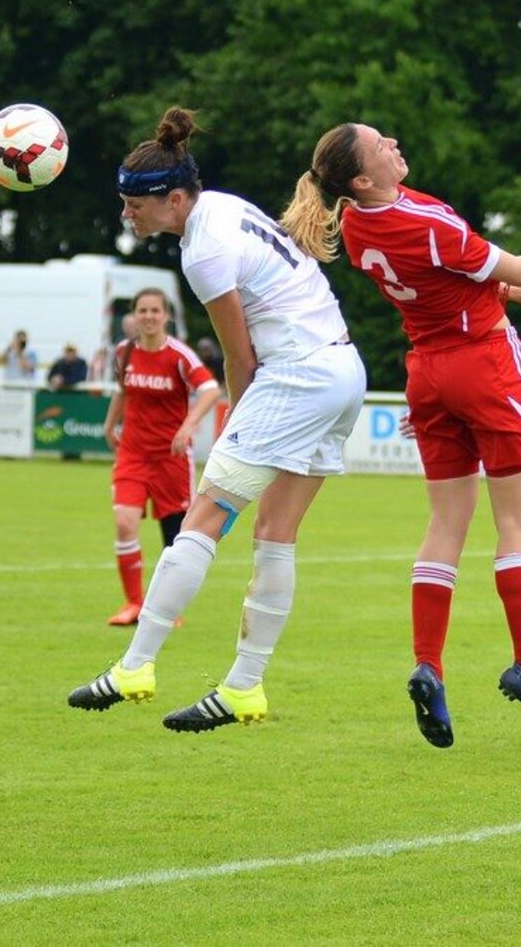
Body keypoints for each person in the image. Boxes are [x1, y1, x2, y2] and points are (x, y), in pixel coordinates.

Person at [68, 107, 367, 734]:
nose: (128, 214)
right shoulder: (222, 205)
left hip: (299, 375)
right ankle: (244, 687)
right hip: (343, 370)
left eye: (135, 205)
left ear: (175, 198)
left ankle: (135, 667)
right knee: (277, 532)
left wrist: (237, 420)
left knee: (204, 516)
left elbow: (239, 354)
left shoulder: (201, 249)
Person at [286, 120, 521, 749]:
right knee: (519, 526)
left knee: (445, 525)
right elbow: (520, 263)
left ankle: (429, 664)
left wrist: (505, 290)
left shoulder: (357, 226)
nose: (394, 141)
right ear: (363, 178)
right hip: (484, 363)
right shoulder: (428, 222)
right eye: (380, 143)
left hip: (427, 371)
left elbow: (446, 277)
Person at [100, 288, 222, 627]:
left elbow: (211, 389)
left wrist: (188, 426)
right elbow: (123, 391)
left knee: (175, 537)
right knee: (125, 522)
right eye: (143, 310)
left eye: (155, 311)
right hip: (133, 453)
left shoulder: (179, 355)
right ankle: (134, 603)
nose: (149, 316)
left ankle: (168, 608)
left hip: (171, 457)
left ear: (165, 316)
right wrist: (110, 425)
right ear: (134, 316)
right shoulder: (123, 353)